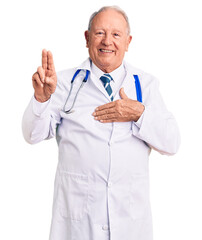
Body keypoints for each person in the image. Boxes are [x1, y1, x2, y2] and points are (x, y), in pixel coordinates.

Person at [22, 5, 180, 240]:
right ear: (87, 38)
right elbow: (32, 135)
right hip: (77, 226)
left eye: (116, 34)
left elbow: (172, 143)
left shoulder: (145, 85)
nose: (108, 41)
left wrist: (140, 113)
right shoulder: (62, 83)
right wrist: (41, 98)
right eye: (99, 33)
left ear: (128, 41)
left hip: (130, 224)